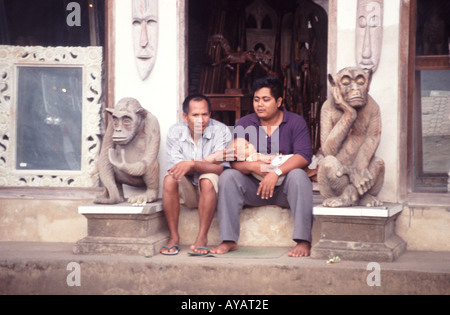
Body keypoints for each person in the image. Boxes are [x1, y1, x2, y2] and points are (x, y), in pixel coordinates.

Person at [210, 76, 313, 257]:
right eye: (256, 100)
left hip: (285, 190)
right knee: (228, 176)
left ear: (279, 101)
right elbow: (234, 161)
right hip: (254, 188)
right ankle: (228, 240)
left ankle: (303, 241)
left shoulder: (295, 122)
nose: (260, 105)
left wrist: (276, 173)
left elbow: (304, 156)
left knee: (298, 176)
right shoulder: (244, 123)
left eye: (266, 100)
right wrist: (253, 166)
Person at [161, 94, 232, 255]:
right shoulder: (175, 132)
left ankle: (202, 237)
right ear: (185, 117)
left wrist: (193, 164)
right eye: (195, 115)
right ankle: (173, 237)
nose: (201, 119)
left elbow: (222, 169)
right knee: (169, 179)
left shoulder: (221, 131)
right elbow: (177, 168)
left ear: (210, 114)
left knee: (207, 179)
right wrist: (205, 163)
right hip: (188, 192)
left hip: (211, 192)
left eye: (204, 114)